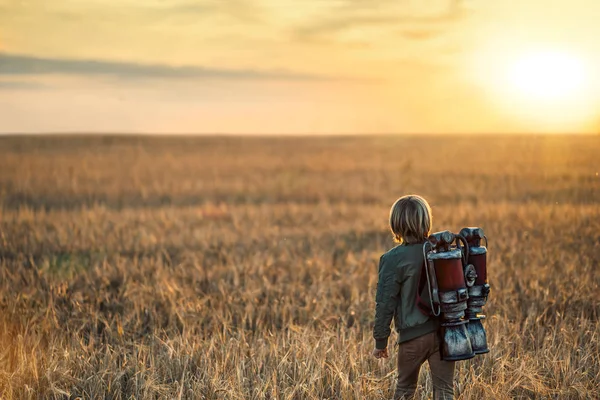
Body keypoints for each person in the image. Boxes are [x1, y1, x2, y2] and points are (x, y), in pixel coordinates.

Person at [372, 195, 455, 400]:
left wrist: (380, 341)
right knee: (445, 391)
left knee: (405, 391)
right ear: (426, 220)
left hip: (412, 339)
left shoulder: (392, 259)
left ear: (395, 224)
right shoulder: (441, 251)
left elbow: (385, 304)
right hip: (445, 335)